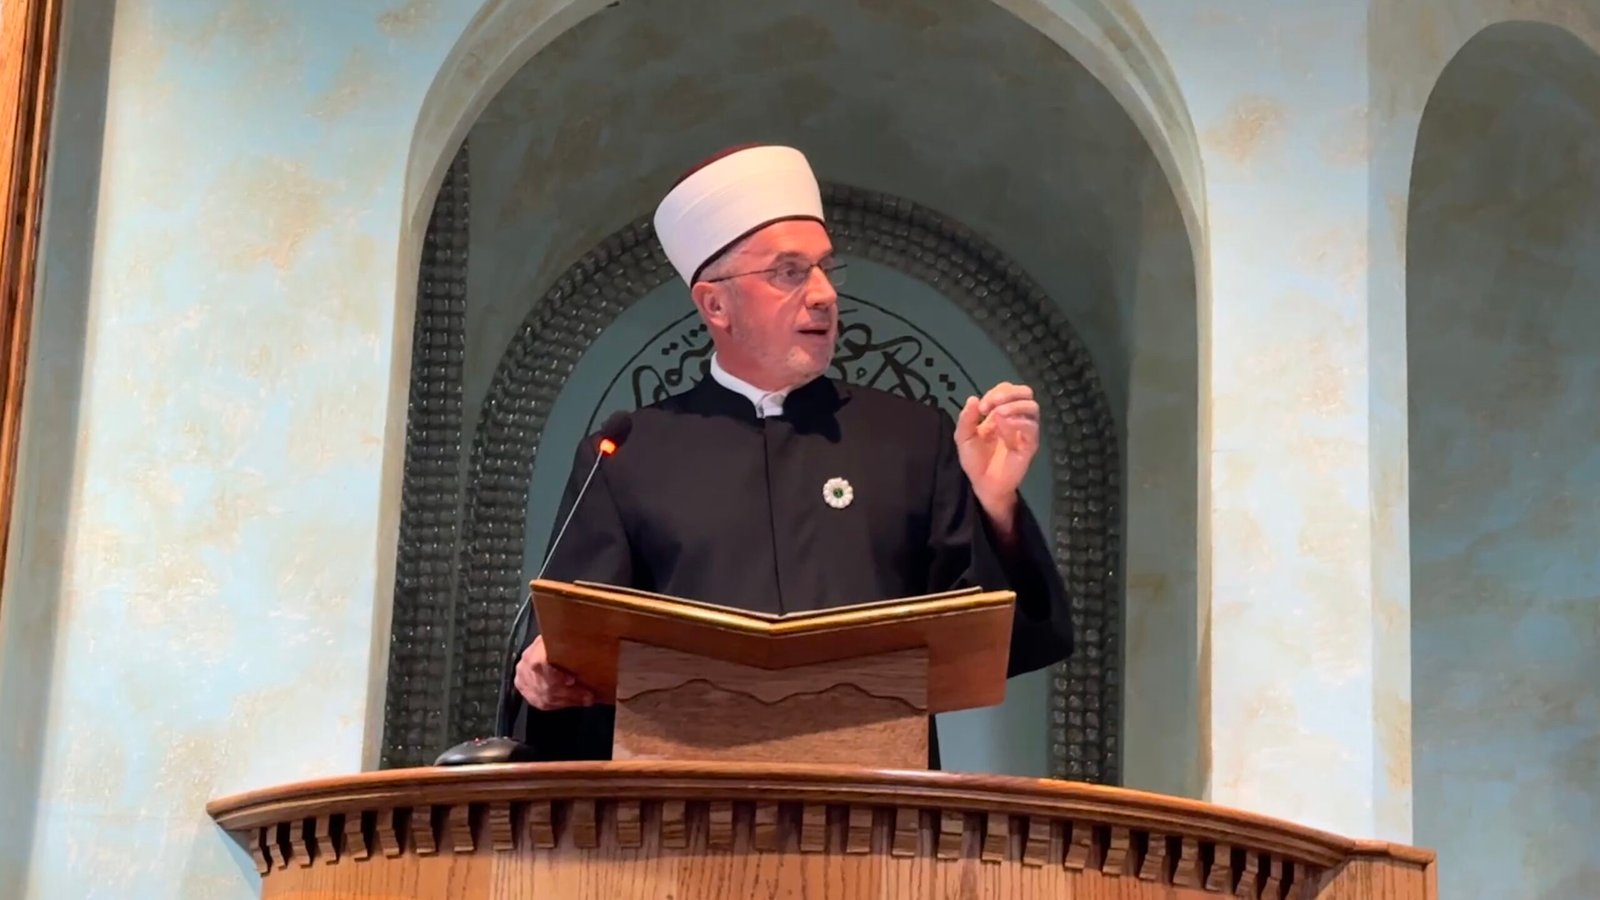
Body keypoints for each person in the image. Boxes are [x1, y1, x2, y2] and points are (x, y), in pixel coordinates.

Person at [506, 144, 1073, 766]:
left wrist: (996, 507)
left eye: (826, 268)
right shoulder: (626, 454)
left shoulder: (913, 437)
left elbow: (999, 644)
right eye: (789, 272)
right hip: (684, 805)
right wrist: (543, 667)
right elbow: (571, 646)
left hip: (875, 802)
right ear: (715, 304)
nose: (824, 294)